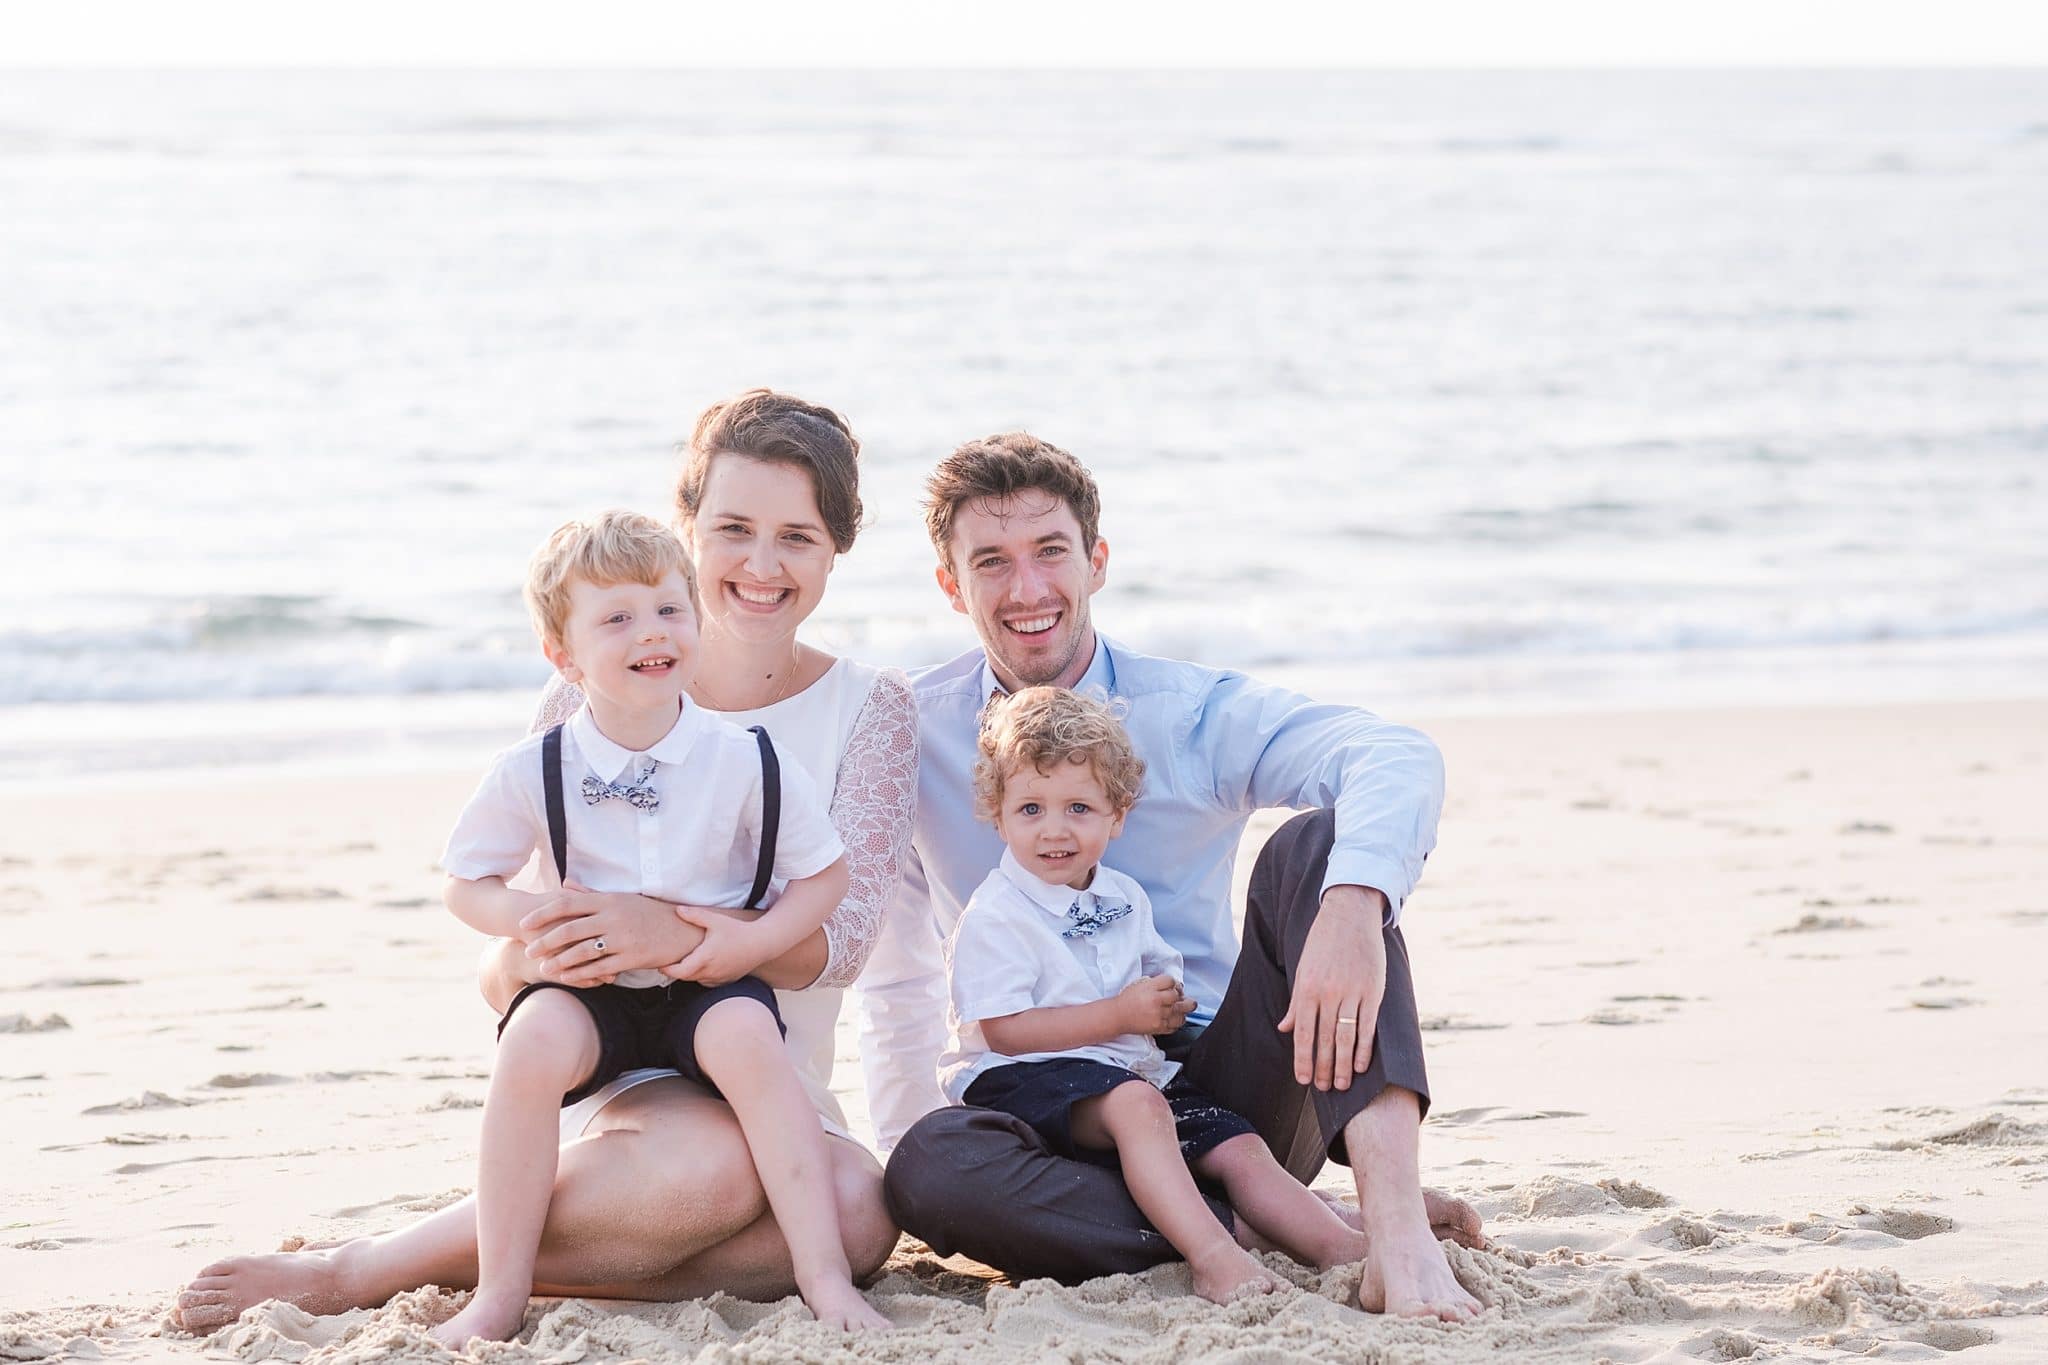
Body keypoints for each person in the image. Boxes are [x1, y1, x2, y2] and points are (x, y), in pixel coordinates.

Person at [172, 391, 917, 1334]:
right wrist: (529, 952)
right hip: (626, 1074)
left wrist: (675, 931)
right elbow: (503, 960)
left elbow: (844, 941)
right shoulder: (592, 689)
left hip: (761, 1054)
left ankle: (538, 1266)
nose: (761, 566)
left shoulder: (871, 707)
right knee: (707, 1168)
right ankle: (363, 1269)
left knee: (861, 1213)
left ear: (835, 548)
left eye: (797, 537)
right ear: (685, 528)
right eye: (733, 528)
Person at [864, 432, 1485, 1321]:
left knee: (1322, 848)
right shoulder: (914, 731)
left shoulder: (1188, 713)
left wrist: (1354, 909)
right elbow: (899, 979)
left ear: (1097, 560)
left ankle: (1394, 1236)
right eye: (991, 561)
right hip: (1045, 1100)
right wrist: (905, 1147)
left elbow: (1392, 753)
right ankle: (1276, 1224)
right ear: (950, 584)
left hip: (1227, 1091)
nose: (1028, 588)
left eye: (1051, 551)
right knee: (927, 1164)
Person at [433, 508, 883, 1341]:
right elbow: (466, 880)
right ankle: (500, 1290)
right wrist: (529, 917)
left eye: (671, 609)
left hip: (705, 980)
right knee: (530, 1042)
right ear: (563, 655)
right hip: (589, 984)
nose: (653, 632)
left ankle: (825, 1277)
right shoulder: (535, 768)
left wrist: (748, 943)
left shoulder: (743, 756)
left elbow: (826, 875)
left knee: (753, 1040)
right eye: (618, 618)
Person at [945, 687, 1371, 1304]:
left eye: (1079, 808)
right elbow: (1004, 1031)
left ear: (1117, 815)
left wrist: (1162, 1002)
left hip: (1129, 1068)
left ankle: (1338, 1246)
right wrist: (1120, 1014)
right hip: (1021, 1076)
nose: (1054, 830)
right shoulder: (996, 915)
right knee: (1140, 1109)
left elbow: (1154, 972)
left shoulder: (1123, 897)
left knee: (1237, 1143)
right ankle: (1213, 1256)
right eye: (1031, 809)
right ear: (998, 813)